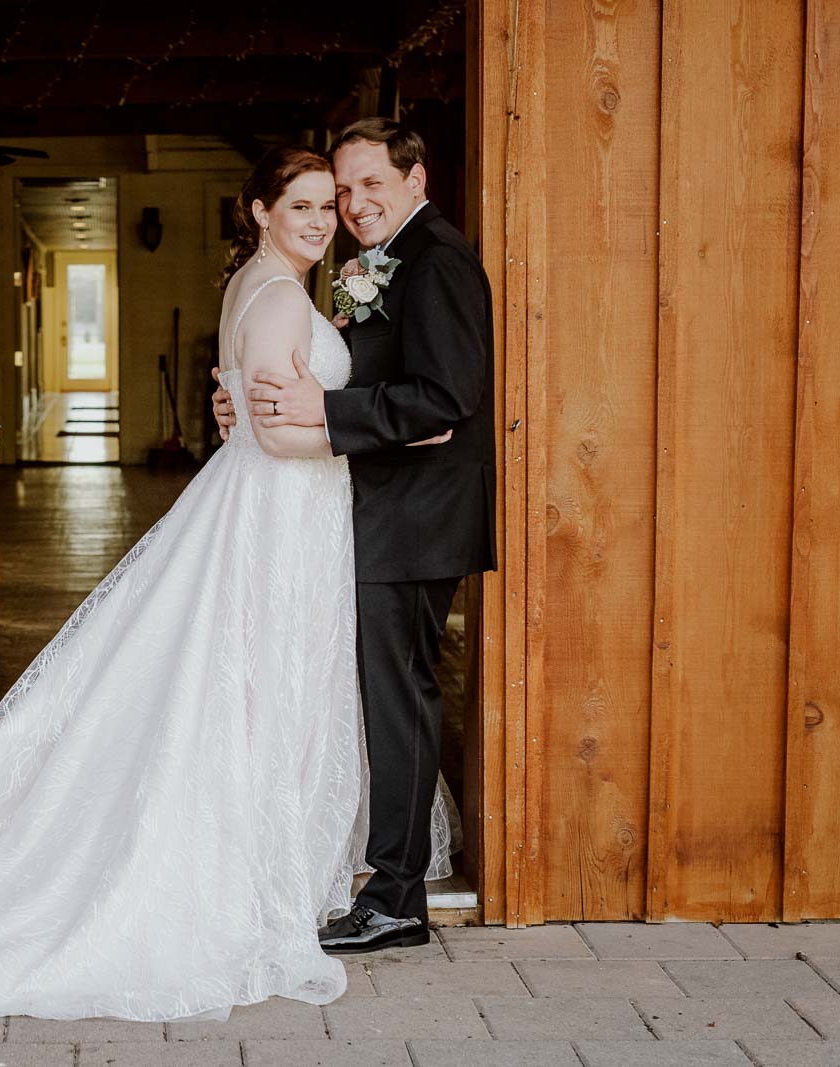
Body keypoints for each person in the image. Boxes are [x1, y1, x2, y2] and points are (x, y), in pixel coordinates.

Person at [0, 145, 453, 1022]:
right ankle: (249, 871)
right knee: (265, 685)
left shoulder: (258, 285)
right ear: (260, 211)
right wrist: (388, 434)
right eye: (304, 207)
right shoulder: (283, 299)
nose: (322, 220)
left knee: (241, 684)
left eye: (330, 206)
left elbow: (256, 410)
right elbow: (282, 437)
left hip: (270, 504)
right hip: (284, 509)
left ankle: (256, 857)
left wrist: (266, 412)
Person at [212, 119, 496, 954]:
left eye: (373, 184)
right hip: (369, 510)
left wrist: (324, 411)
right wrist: (247, 401)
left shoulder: (438, 259)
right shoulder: (379, 263)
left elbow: (445, 398)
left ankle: (398, 898)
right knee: (375, 700)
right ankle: (382, 881)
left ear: (416, 179)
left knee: (397, 702)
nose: (355, 204)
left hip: (414, 519)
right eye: (344, 190)